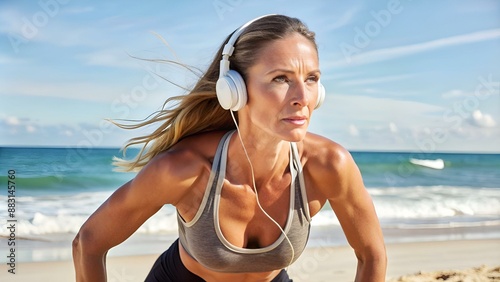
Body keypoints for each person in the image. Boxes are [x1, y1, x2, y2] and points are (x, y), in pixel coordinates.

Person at [72, 14, 387, 281]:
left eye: (311, 79)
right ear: (234, 89)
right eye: (281, 78)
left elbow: (371, 254)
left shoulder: (329, 165)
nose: (302, 98)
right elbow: (88, 243)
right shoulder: (185, 169)